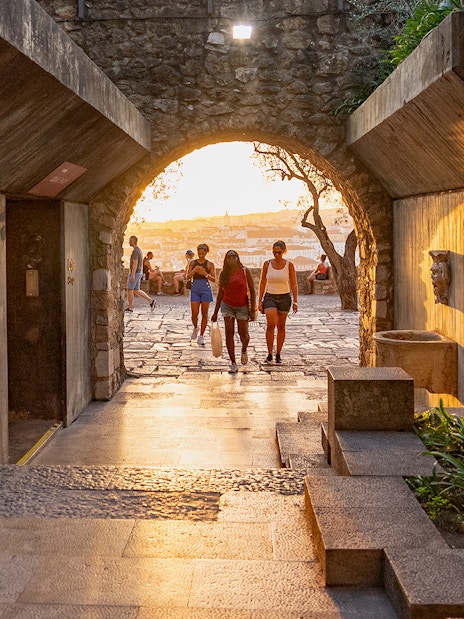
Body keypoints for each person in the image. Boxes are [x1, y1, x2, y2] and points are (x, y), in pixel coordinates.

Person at [211, 250, 256, 373]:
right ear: (226, 259)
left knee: (244, 335)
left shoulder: (245, 272)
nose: (231, 259)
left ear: (237, 258)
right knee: (229, 333)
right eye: (229, 257)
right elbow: (221, 293)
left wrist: (252, 309)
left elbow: (252, 290)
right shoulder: (224, 274)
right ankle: (233, 362)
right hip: (227, 305)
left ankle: (243, 350)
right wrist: (215, 312)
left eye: (233, 257)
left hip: (242, 306)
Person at [258, 240, 298, 364]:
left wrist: (295, 301)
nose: (276, 255)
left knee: (281, 326)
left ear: (284, 252)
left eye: (279, 252)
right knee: (271, 324)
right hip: (270, 296)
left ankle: (278, 354)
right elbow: (262, 282)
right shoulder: (267, 264)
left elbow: (294, 284)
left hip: (284, 297)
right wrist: (260, 300)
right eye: (274, 252)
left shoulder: (289, 265)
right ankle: (269, 353)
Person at [186, 243, 216, 346]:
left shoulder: (210, 264)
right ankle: (196, 327)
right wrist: (194, 271)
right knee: (194, 313)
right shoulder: (192, 263)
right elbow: (187, 277)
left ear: (206, 253)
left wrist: (205, 274)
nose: (201, 255)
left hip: (205, 288)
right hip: (195, 288)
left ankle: (202, 335)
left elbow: (214, 279)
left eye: (203, 253)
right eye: (199, 253)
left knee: (204, 313)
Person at [126, 236, 156, 312]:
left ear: (133, 241)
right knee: (136, 290)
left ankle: (130, 307)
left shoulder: (135, 251)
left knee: (130, 290)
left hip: (135, 272)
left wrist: (132, 274)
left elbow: (135, 263)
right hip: (139, 272)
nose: (129, 242)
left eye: (130, 241)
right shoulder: (139, 250)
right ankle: (151, 301)